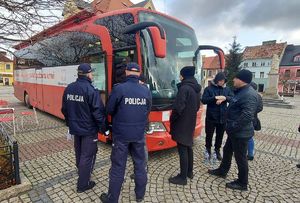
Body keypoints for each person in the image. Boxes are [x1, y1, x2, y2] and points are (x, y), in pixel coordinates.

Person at [100, 63, 152, 203]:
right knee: (140, 165)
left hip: (121, 135)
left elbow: (109, 110)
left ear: (127, 72)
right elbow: (147, 110)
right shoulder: (145, 90)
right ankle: (140, 196)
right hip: (139, 134)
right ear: (139, 74)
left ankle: (112, 199)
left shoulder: (119, 89)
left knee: (118, 166)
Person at [208, 69, 258, 191]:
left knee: (240, 157)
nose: (233, 80)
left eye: (236, 78)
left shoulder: (249, 94)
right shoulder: (241, 91)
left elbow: (247, 116)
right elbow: (236, 102)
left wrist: (232, 126)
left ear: (242, 80)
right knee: (227, 150)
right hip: (235, 132)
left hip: (240, 133)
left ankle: (242, 183)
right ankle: (222, 170)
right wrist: (226, 98)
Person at [61, 63, 106, 193]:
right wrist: (104, 128)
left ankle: (82, 172)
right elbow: (98, 113)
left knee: (79, 153)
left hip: (76, 129)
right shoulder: (91, 90)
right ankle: (83, 184)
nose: (92, 76)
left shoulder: (69, 88)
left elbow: (64, 109)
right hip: (89, 130)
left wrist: (70, 124)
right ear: (88, 74)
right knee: (88, 155)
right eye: (91, 73)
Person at [168, 66, 201, 185]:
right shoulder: (196, 88)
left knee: (182, 149)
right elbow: (197, 106)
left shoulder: (184, 88)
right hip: (190, 121)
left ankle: (182, 178)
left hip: (181, 123)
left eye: (180, 74)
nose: (179, 76)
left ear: (183, 76)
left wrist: (173, 119)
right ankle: (189, 172)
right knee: (188, 147)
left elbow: (177, 108)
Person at [201, 72, 234, 160]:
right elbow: (204, 100)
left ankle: (217, 150)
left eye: (223, 81)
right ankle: (208, 150)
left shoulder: (227, 89)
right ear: (216, 80)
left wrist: (224, 98)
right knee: (209, 135)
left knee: (220, 135)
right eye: (220, 80)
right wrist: (215, 98)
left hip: (223, 117)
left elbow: (233, 99)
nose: (221, 82)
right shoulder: (209, 89)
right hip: (211, 117)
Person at [247, 82, 263, 161]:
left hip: (250, 119)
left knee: (246, 136)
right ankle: (250, 153)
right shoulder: (258, 96)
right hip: (254, 118)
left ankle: (248, 153)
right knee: (250, 137)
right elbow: (260, 108)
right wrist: (254, 111)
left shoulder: (248, 94)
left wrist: (251, 111)